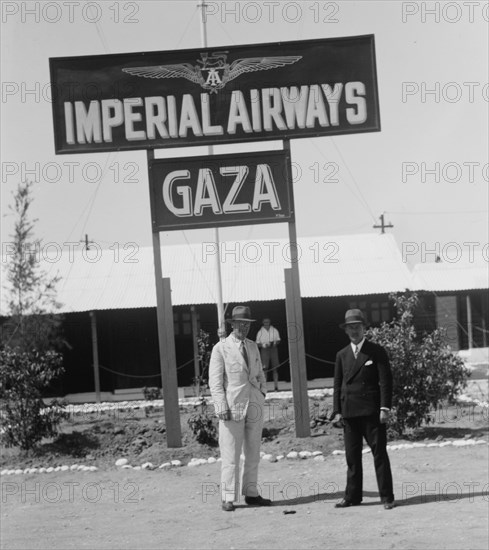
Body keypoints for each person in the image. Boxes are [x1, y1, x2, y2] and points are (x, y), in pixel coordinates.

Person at [209, 305, 272, 512]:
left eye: (247, 324)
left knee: (253, 452)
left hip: (254, 404)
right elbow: (215, 382)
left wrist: (262, 392)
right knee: (231, 454)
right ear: (232, 324)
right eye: (239, 324)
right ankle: (228, 497)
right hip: (232, 406)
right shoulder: (221, 348)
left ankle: (251, 493)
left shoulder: (253, 346)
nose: (243, 328)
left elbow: (260, 373)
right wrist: (221, 405)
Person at [331, 308, 395, 510]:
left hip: (371, 412)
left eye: (357, 327)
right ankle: (352, 496)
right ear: (346, 331)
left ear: (364, 328)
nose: (354, 331)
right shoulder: (341, 355)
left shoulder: (376, 351)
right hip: (349, 413)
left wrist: (385, 407)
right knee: (352, 457)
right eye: (350, 328)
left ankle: (387, 497)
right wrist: (337, 411)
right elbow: (338, 384)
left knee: (379, 455)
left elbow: (386, 382)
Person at [255, 318, 281, 391]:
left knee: (275, 368)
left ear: (270, 322)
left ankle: (276, 386)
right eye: (265, 322)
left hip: (273, 349)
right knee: (264, 369)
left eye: (268, 322)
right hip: (264, 350)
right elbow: (257, 343)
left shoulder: (274, 330)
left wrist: (275, 343)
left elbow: (278, 340)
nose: (266, 323)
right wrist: (263, 345)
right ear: (263, 323)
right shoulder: (260, 332)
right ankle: (264, 387)